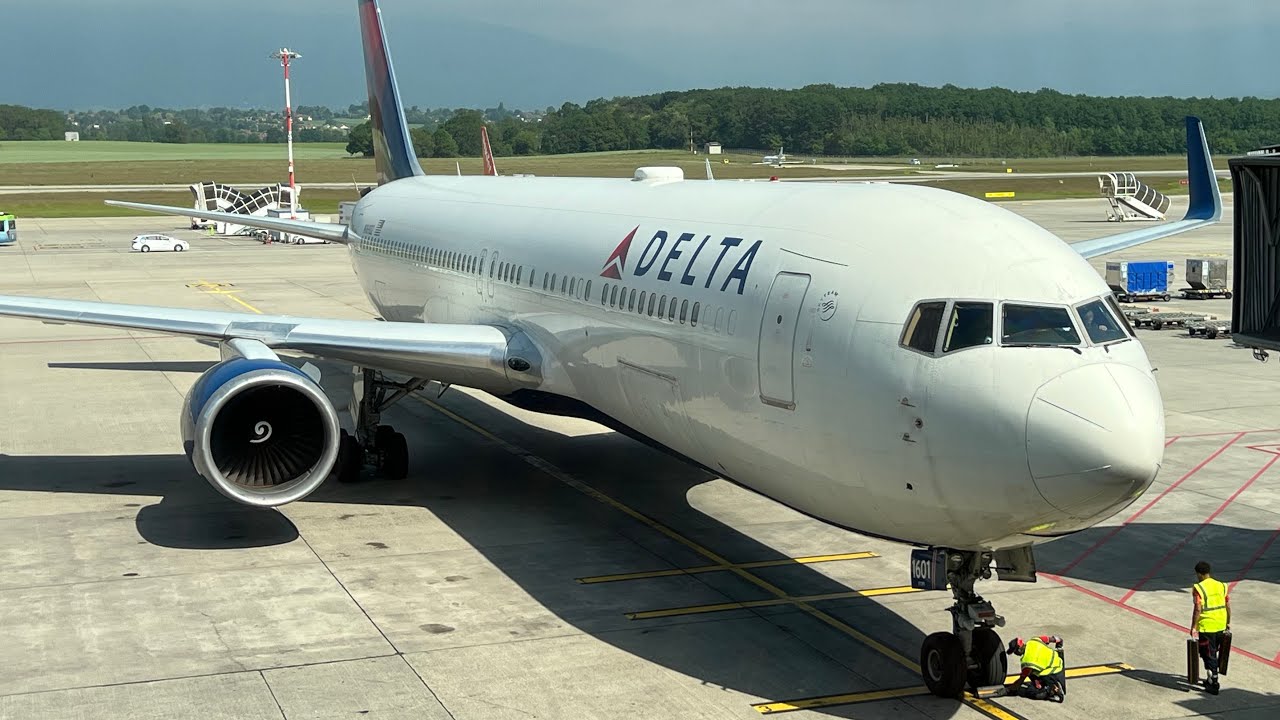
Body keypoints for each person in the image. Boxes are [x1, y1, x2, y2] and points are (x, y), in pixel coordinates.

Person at [1191, 560, 1231, 694]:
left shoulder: (1199, 588)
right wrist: (1228, 621)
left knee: (1208, 654)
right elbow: (1227, 605)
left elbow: (1197, 608)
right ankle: (1210, 678)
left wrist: (1193, 626)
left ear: (1199, 574)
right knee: (1215, 652)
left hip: (1207, 626)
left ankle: (1214, 682)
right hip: (1221, 624)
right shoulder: (1221, 585)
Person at [1005, 635, 1065, 702]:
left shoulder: (1027, 661)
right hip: (1058, 661)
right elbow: (1055, 639)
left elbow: (1020, 681)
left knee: (1034, 694)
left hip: (1053, 670)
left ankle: (1054, 689)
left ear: (1019, 649)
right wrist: (1059, 645)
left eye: (1015, 652)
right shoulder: (1034, 640)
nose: (1016, 654)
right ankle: (1040, 683)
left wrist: (1008, 690)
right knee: (1032, 672)